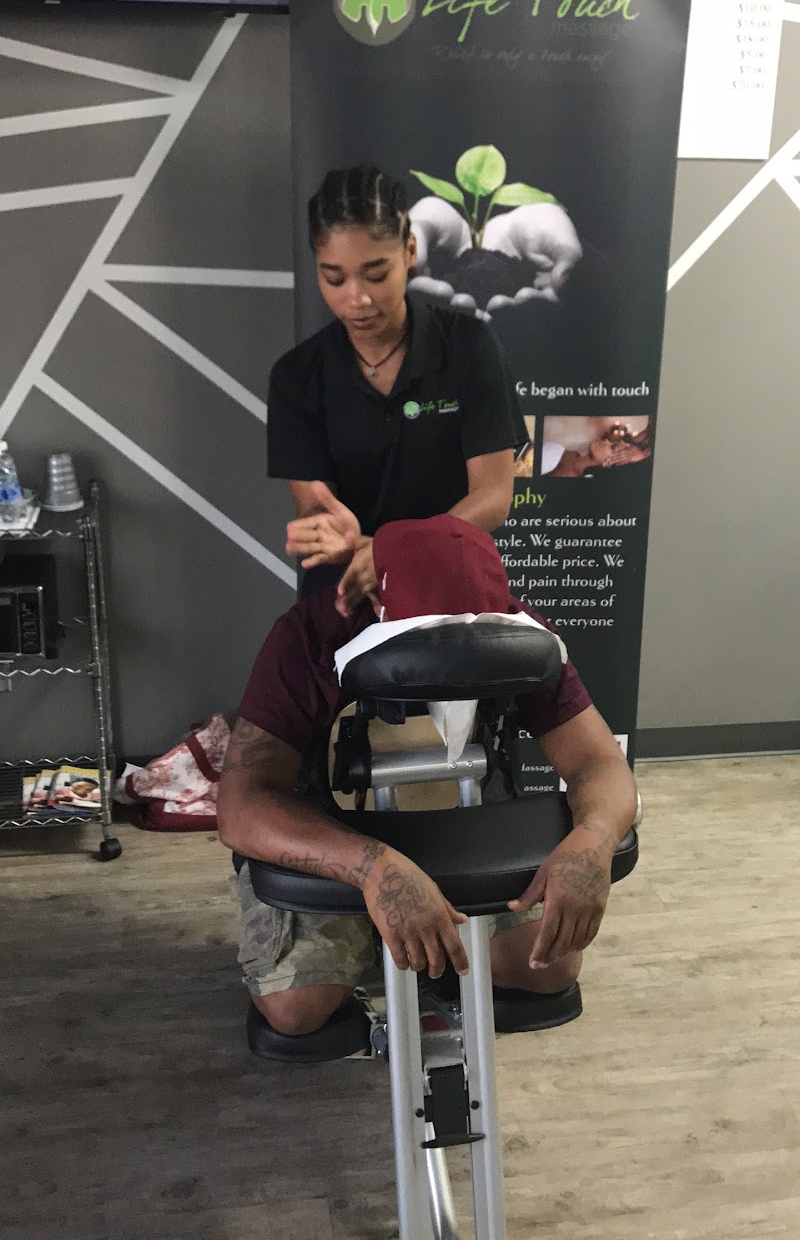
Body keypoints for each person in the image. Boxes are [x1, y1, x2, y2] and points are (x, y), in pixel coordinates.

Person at [216, 514, 637, 1038]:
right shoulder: (308, 637)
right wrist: (374, 869)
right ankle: (375, 940)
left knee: (545, 966)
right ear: (378, 604)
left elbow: (598, 762)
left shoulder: (521, 634)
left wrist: (593, 841)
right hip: (336, 823)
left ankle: (434, 951)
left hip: (461, 816)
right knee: (297, 1008)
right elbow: (242, 807)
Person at [268, 164, 527, 611]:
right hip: (346, 597)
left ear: (409, 251)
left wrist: (396, 552)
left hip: (450, 594)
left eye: (375, 274)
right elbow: (317, 509)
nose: (357, 299)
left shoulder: (468, 347)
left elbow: (493, 496)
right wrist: (333, 533)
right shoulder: (297, 376)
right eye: (334, 278)